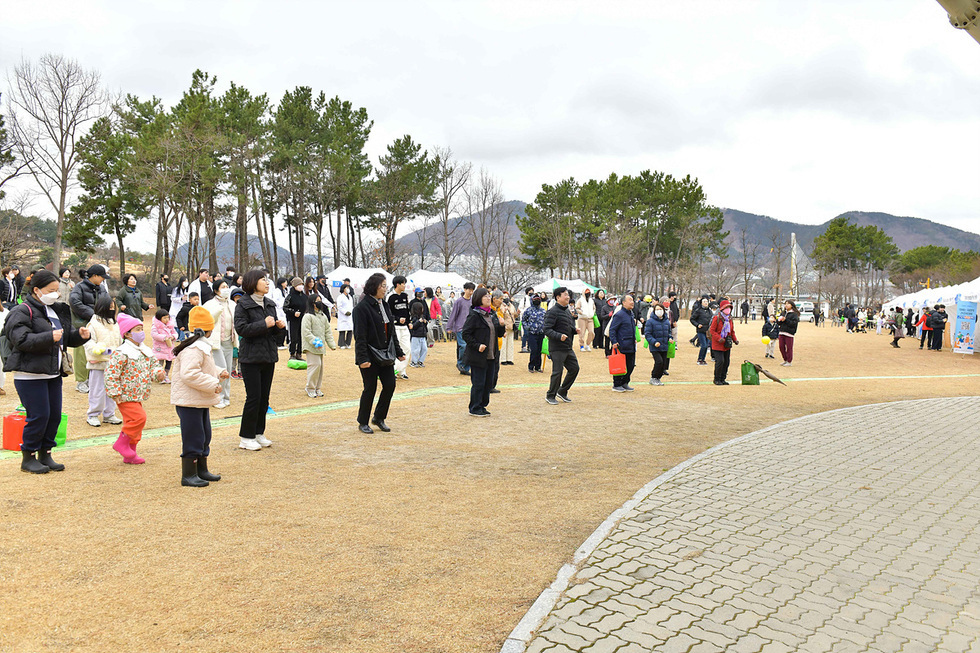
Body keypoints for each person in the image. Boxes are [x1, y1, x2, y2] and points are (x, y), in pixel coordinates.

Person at [3, 270, 91, 473]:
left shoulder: (56, 309)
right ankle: (29, 457)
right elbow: (21, 340)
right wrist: (48, 337)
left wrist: (78, 335)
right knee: (39, 416)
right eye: (51, 291)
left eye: (57, 290)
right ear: (36, 290)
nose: (56, 295)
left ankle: (46, 453)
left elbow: (63, 338)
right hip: (30, 374)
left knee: (53, 416)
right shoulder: (21, 311)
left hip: (53, 372)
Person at [170, 305, 226, 487]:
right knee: (193, 436)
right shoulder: (195, 349)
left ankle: (201, 469)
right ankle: (188, 474)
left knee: (204, 435)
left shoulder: (200, 347)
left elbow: (203, 368)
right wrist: (213, 384)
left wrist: (218, 372)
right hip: (189, 401)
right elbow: (189, 374)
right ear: (208, 330)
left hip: (198, 399)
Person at [234, 270, 285, 450]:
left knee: (264, 398)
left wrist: (279, 328)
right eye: (263, 279)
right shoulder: (243, 304)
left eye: (267, 279)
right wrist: (264, 324)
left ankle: (258, 433)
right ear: (253, 282)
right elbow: (241, 329)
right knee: (254, 397)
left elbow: (275, 335)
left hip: (268, 355)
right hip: (250, 358)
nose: (267, 282)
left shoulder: (270, 304)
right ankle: (246, 437)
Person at [105, 313, 165, 464]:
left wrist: (158, 373)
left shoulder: (144, 350)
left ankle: (130, 454)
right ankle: (121, 443)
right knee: (139, 418)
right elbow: (111, 373)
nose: (141, 332)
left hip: (138, 394)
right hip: (125, 395)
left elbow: (153, 366)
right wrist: (115, 392)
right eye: (137, 329)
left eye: (141, 328)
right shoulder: (121, 352)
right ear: (127, 333)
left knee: (134, 423)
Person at [352, 272, 405, 434]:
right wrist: (362, 358)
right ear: (374, 286)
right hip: (369, 355)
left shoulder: (385, 304)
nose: (385, 289)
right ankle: (363, 421)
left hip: (385, 354)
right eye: (382, 286)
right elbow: (359, 336)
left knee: (390, 385)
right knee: (370, 387)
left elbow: (391, 332)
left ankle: (379, 417)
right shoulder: (362, 308)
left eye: (385, 286)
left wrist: (398, 351)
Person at [83, 295, 124, 428]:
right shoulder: (93, 324)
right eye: (109, 307)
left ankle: (109, 414)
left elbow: (119, 341)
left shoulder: (114, 323)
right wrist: (98, 350)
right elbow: (88, 343)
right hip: (98, 363)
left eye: (113, 307)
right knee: (97, 390)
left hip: (113, 363)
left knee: (112, 390)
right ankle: (93, 414)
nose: (112, 310)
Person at [461, 287, 504, 416]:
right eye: (485, 296)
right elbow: (466, 334)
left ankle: (483, 405)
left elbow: (499, 334)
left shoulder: (492, 314)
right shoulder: (474, 315)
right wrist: (477, 345)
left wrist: (501, 325)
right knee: (478, 383)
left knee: (488, 383)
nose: (488, 298)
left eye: (489, 296)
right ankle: (475, 407)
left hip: (492, 354)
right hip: (478, 356)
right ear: (478, 299)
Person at [69, 264, 109, 394]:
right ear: (95, 276)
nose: (103, 280)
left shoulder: (102, 288)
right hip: (83, 324)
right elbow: (75, 303)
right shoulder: (79, 287)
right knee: (81, 353)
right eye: (102, 277)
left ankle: (93, 380)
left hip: (99, 324)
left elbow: (107, 302)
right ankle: (81, 381)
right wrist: (93, 314)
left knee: (97, 351)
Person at [543, 287, 580, 405]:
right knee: (557, 372)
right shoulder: (552, 311)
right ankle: (550, 395)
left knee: (574, 369)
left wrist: (574, 330)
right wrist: (559, 336)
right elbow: (546, 329)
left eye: (568, 294)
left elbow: (567, 326)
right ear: (558, 297)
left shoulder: (567, 310)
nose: (568, 297)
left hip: (567, 347)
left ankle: (562, 391)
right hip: (557, 347)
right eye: (565, 295)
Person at [203, 279, 236, 409]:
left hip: (229, 340)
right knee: (220, 370)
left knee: (227, 370)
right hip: (215, 342)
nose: (226, 289)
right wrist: (218, 310)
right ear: (216, 290)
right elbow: (208, 320)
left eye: (227, 286)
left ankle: (226, 397)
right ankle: (218, 397)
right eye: (223, 287)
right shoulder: (209, 304)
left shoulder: (232, 304)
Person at [302, 294, 335, 398]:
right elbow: (306, 332)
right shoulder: (308, 316)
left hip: (320, 347)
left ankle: (317, 388)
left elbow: (327, 331)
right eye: (317, 300)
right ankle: (310, 388)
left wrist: (331, 344)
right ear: (312, 303)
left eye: (320, 300)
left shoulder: (323, 316)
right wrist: (315, 341)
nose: (319, 302)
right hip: (312, 346)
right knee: (314, 366)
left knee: (320, 368)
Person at [608, 293, 637, 392]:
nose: (632, 302)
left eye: (632, 300)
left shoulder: (631, 314)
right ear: (624, 302)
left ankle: (625, 383)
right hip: (622, 344)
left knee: (631, 365)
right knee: (620, 365)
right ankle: (616, 384)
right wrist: (614, 341)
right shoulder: (619, 315)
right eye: (630, 300)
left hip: (631, 344)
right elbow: (612, 329)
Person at [446, 282, 475, 375]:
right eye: (469, 290)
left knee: (470, 348)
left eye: (472, 290)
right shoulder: (458, 301)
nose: (471, 292)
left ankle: (466, 368)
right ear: (465, 290)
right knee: (463, 346)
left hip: (471, 328)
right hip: (460, 327)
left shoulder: (473, 302)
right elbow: (453, 314)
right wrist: (449, 327)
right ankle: (460, 364)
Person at [709, 299, 739, 385]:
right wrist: (719, 338)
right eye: (726, 308)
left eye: (729, 308)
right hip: (718, 344)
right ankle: (717, 379)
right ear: (722, 309)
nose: (728, 310)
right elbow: (712, 331)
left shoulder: (730, 319)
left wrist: (735, 339)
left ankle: (723, 378)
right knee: (720, 361)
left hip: (727, 343)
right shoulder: (717, 318)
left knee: (726, 362)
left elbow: (732, 331)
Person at [387, 275, 411, 380]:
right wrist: (396, 319)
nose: (405, 285)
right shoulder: (390, 297)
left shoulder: (405, 296)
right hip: (395, 327)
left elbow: (407, 310)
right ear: (398, 284)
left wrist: (409, 321)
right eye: (403, 283)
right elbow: (388, 313)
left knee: (407, 348)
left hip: (404, 327)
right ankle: (393, 371)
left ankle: (402, 371)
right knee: (395, 349)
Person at [644, 300, 672, 386]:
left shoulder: (667, 321)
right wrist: (654, 342)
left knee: (663, 364)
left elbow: (669, 332)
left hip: (664, 345)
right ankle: (653, 377)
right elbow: (648, 334)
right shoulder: (650, 321)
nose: (659, 311)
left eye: (660, 309)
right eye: (657, 309)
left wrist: (670, 338)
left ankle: (658, 378)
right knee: (659, 361)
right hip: (655, 346)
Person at [150, 308, 177, 383]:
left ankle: (166, 375)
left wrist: (173, 337)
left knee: (169, 361)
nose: (166, 319)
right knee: (160, 362)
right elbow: (154, 335)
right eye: (164, 318)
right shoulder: (155, 326)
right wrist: (163, 338)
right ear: (159, 318)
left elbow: (175, 333)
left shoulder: (170, 326)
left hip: (169, 347)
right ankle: (159, 376)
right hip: (160, 348)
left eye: (167, 317)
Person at [284, 277, 308, 360]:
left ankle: (299, 353)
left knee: (301, 337)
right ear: (294, 286)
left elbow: (307, 307)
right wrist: (293, 312)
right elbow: (285, 308)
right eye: (298, 285)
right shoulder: (290, 297)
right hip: (293, 320)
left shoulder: (305, 297)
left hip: (303, 319)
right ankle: (292, 353)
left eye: (302, 284)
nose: (300, 286)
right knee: (293, 337)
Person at [522, 294, 546, 373]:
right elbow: (524, 320)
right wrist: (527, 327)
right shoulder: (528, 310)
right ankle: (531, 366)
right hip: (532, 333)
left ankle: (538, 367)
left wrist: (545, 329)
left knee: (539, 350)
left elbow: (546, 321)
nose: (537, 301)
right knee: (534, 350)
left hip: (541, 333)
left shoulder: (543, 310)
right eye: (535, 299)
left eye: (538, 299)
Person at [498, 291, 520, 366]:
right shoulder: (501, 306)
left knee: (510, 343)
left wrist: (518, 313)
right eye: (504, 296)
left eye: (507, 296)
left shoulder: (511, 305)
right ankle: (503, 359)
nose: (506, 297)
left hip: (511, 326)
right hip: (504, 327)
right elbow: (500, 315)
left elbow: (514, 315)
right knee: (503, 343)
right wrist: (503, 311)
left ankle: (509, 359)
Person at [690, 296, 712, 365]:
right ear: (701, 303)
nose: (706, 303)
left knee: (707, 346)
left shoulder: (709, 311)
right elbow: (692, 319)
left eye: (707, 302)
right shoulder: (698, 310)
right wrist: (697, 325)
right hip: (701, 331)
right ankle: (699, 359)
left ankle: (703, 359)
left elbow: (712, 319)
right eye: (704, 302)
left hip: (708, 331)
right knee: (704, 345)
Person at [777, 300, 800, 366]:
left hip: (789, 333)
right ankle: (785, 360)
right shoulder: (783, 312)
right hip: (782, 332)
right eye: (785, 304)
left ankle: (789, 361)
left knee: (789, 348)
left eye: (788, 304)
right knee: (781, 347)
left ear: (792, 305)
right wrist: (779, 320)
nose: (786, 305)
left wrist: (786, 320)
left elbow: (794, 324)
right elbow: (778, 323)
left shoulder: (794, 314)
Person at [409, 300, 429, 368]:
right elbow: (412, 327)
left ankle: (420, 361)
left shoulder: (422, 316)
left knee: (424, 349)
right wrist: (419, 322)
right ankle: (413, 361)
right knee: (415, 350)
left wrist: (425, 322)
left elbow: (425, 326)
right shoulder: (413, 317)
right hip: (415, 336)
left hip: (422, 336)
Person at [336, 284, 354, 349]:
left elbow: (351, 306)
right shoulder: (340, 297)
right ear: (343, 289)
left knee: (350, 330)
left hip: (350, 316)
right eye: (346, 288)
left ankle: (348, 343)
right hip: (343, 315)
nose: (348, 289)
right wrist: (345, 312)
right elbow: (339, 306)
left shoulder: (350, 297)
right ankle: (341, 344)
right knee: (342, 330)